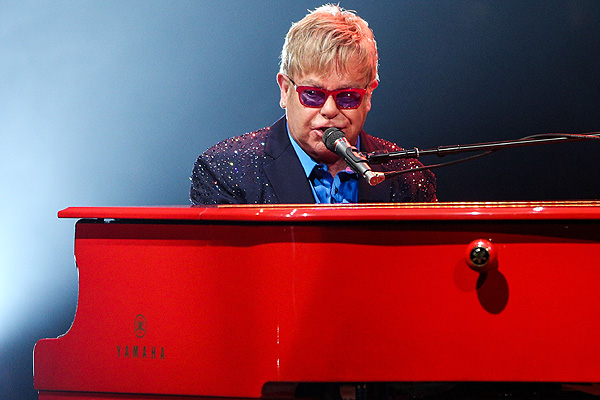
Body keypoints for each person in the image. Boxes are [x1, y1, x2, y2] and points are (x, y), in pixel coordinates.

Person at [190, 4, 437, 205]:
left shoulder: (408, 176)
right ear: (285, 90)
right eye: (313, 94)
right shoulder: (225, 172)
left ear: (368, 95)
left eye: (347, 96)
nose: (330, 110)